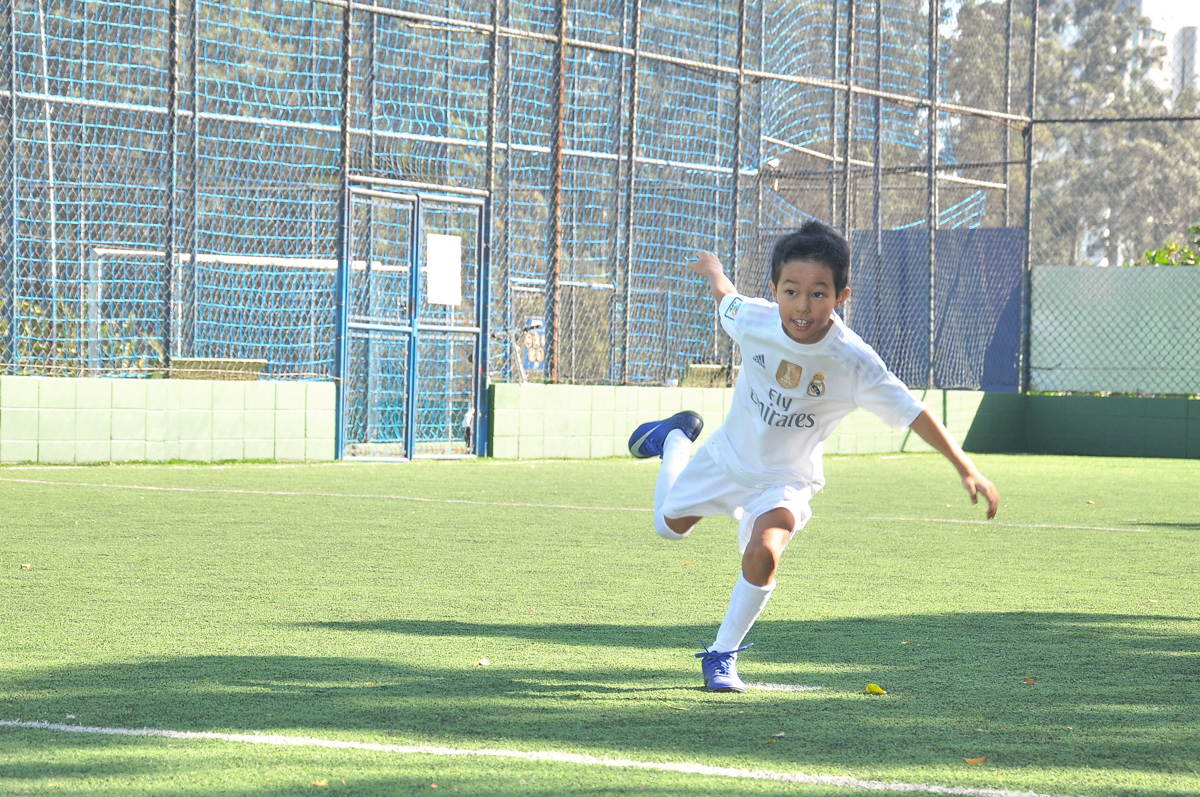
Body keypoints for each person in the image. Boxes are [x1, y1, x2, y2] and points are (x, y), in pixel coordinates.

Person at [628, 220, 1000, 693]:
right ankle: (676, 439)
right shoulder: (756, 318)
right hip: (726, 458)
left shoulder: (853, 360)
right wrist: (713, 270)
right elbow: (726, 297)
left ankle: (722, 656)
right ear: (775, 290)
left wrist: (967, 468)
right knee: (667, 526)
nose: (803, 306)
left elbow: (913, 411)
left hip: (787, 478)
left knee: (765, 552)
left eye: (819, 293)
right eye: (791, 291)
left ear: (842, 296)